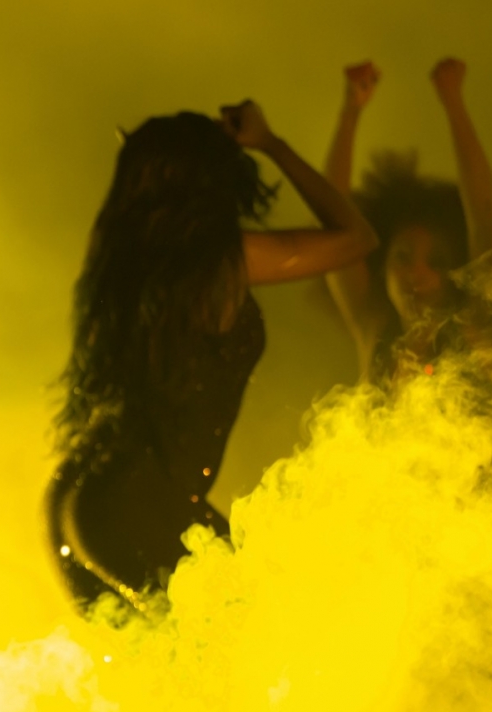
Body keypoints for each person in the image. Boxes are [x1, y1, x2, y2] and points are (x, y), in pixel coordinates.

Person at [46, 103, 377, 612]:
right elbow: (357, 239)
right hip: (140, 503)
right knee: (247, 644)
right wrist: (270, 143)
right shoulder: (216, 266)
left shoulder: (120, 254)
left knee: (206, 660)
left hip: (84, 498)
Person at [324, 58, 492, 385]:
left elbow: (484, 217)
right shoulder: (373, 331)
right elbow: (334, 226)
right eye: (403, 257)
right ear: (382, 267)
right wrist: (349, 110)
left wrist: (453, 101)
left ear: (454, 275)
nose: (416, 274)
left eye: (435, 262)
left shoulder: (480, 325)